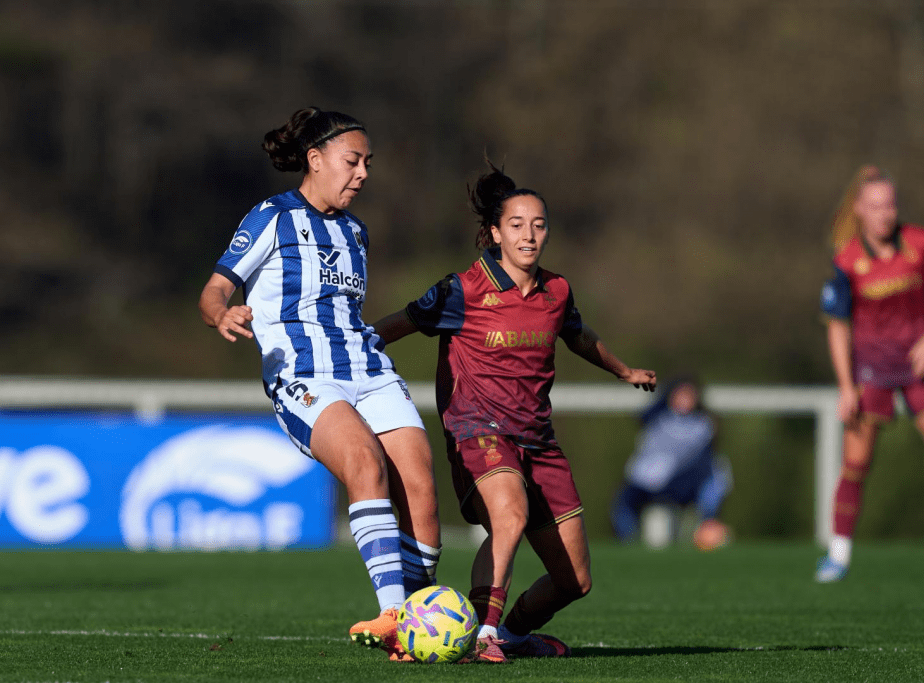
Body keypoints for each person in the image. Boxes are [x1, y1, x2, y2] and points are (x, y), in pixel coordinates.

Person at [372, 162, 656, 662]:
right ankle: (482, 633)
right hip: (476, 430)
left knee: (575, 580)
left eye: (539, 224)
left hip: (537, 440)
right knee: (510, 516)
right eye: (518, 224)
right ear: (496, 233)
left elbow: (579, 337)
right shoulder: (461, 289)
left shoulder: (558, 291)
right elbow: (400, 322)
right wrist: (348, 348)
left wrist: (622, 370)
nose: (529, 234)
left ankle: (510, 635)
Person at [198, 107, 441, 660]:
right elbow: (214, 289)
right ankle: (392, 616)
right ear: (315, 160)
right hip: (303, 375)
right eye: (352, 161)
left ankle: (423, 626)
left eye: (367, 164)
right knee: (364, 464)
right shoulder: (272, 217)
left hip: (369, 370)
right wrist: (222, 314)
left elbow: (347, 315)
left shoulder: (356, 232)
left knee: (421, 488)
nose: (362, 173)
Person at [816, 165, 924, 583]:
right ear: (859, 209)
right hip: (871, 371)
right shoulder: (847, 262)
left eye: (890, 204)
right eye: (875, 206)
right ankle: (837, 557)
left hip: (920, 367)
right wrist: (845, 387)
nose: (884, 214)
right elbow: (838, 327)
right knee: (855, 463)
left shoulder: (921, 243)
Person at [610, 374, 732, 551]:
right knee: (623, 502)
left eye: (688, 395)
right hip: (648, 482)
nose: (684, 400)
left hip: (683, 483)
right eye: (679, 394)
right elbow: (642, 418)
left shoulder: (703, 425)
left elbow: (706, 462)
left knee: (715, 477)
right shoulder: (658, 418)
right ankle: (628, 544)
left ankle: (707, 525)